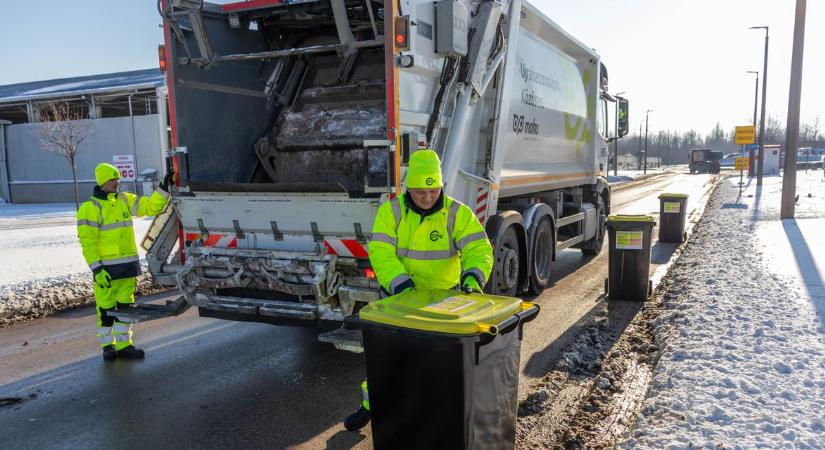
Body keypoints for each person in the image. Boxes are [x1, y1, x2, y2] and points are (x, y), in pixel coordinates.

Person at [343, 149, 494, 431]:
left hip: (443, 305)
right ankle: (371, 406)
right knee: (388, 361)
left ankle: (434, 420)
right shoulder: (392, 211)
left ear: (440, 186)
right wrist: (400, 283)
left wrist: (473, 279)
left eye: (432, 190)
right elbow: (380, 251)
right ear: (409, 188)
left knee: (438, 366)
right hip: (400, 300)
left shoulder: (457, 213)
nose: (426, 197)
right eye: (419, 192)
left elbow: (477, 248)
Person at [76, 163, 173, 361]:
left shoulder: (124, 199)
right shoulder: (90, 208)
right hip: (106, 270)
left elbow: (150, 206)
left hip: (127, 267)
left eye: (118, 179)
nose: (117, 183)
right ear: (103, 181)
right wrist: (97, 269)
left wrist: (163, 188)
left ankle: (124, 345)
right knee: (105, 310)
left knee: (125, 309)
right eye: (112, 179)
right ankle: (107, 346)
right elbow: (88, 243)